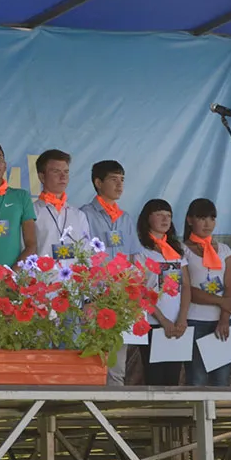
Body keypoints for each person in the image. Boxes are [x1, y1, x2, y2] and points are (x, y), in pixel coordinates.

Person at [79, 160, 140, 386]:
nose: (120, 185)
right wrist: (88, 297)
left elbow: (132, 259)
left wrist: (130, 295)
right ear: (98, 182)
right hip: (94, 297)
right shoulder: (84, 215)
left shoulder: (125, 218)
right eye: (114, 180)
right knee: (93, 359)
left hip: (119, 299)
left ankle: (114, 406)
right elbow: (81, 258)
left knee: (117, 365)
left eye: (122, 180)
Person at [135, 198, 190, 387]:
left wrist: (182, 318)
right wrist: (163, 320)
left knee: (173, 377)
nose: (165, 219)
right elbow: (140, 290)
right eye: (159, 215)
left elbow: (186, 286)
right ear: (147, 218)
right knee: (154, 377)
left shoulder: (177, 249)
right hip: (153, 322)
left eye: (168, 215)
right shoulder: (141, 250)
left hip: (177, 323)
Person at [183, 198, 231, 387]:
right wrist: (221, 302)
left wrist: (224, 319)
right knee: (196, 379)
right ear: (190, 220)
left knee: (221, 380)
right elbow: (187, 290)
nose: (208, 224)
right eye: (202, 218)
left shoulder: (224, 250)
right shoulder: (181, 250)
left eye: (212, 218)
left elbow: (230, 287)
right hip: (194, 319)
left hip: (223, 320)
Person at [32, 149, 92, 261]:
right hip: (43, 272)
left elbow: (86, 253)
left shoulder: (78, 215)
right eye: (56, 171)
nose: (63, 176)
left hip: (73, 272)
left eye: (66, 172)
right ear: (42, 177)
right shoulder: (32, 213)